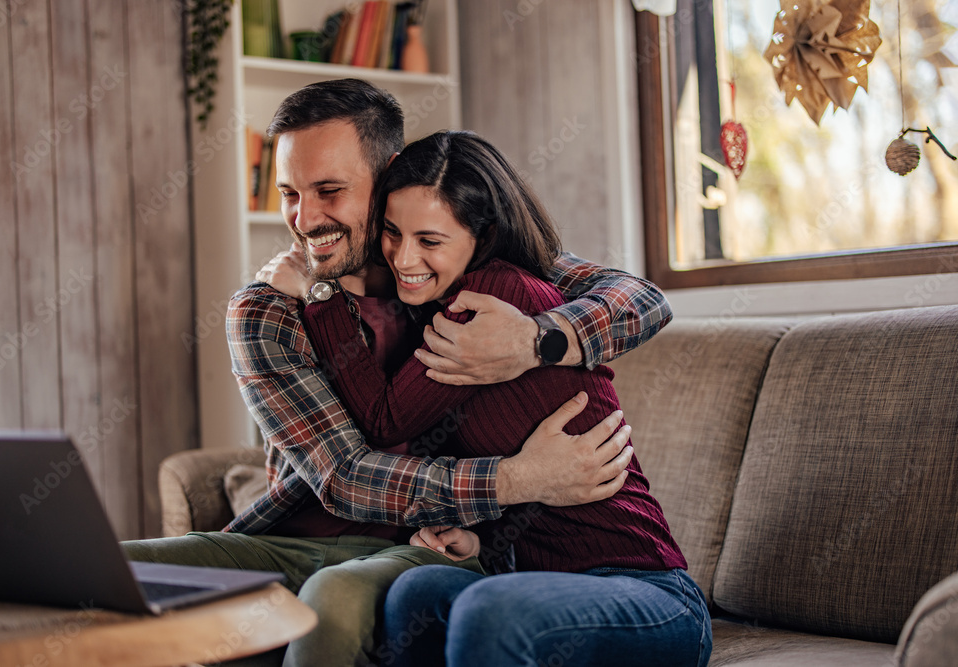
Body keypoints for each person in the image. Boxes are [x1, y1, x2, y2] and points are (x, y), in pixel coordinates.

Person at [124, 79, 673, 667]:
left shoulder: (449, 265)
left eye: (328, 191)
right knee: (119, 572)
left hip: (425, 549)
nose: (304, 219)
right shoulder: (267, 309)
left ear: (387, 176)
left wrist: (536, 340)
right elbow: (344, 477)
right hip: (295, 541)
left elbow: (640, 298)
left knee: (333, 599)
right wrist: (516, 480)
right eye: (289, 193)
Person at [297, 130, 711, 667]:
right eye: (393, 234)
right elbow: (509, 464)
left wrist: (321, 291)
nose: (402, 257)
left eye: (430, 240)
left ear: (482, 236)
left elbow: (382, 418)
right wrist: (480, 543)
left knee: (489, 608)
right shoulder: (440, 309)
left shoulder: (490, 301)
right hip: (537, 586)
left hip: (650, 595)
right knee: (413, 594)